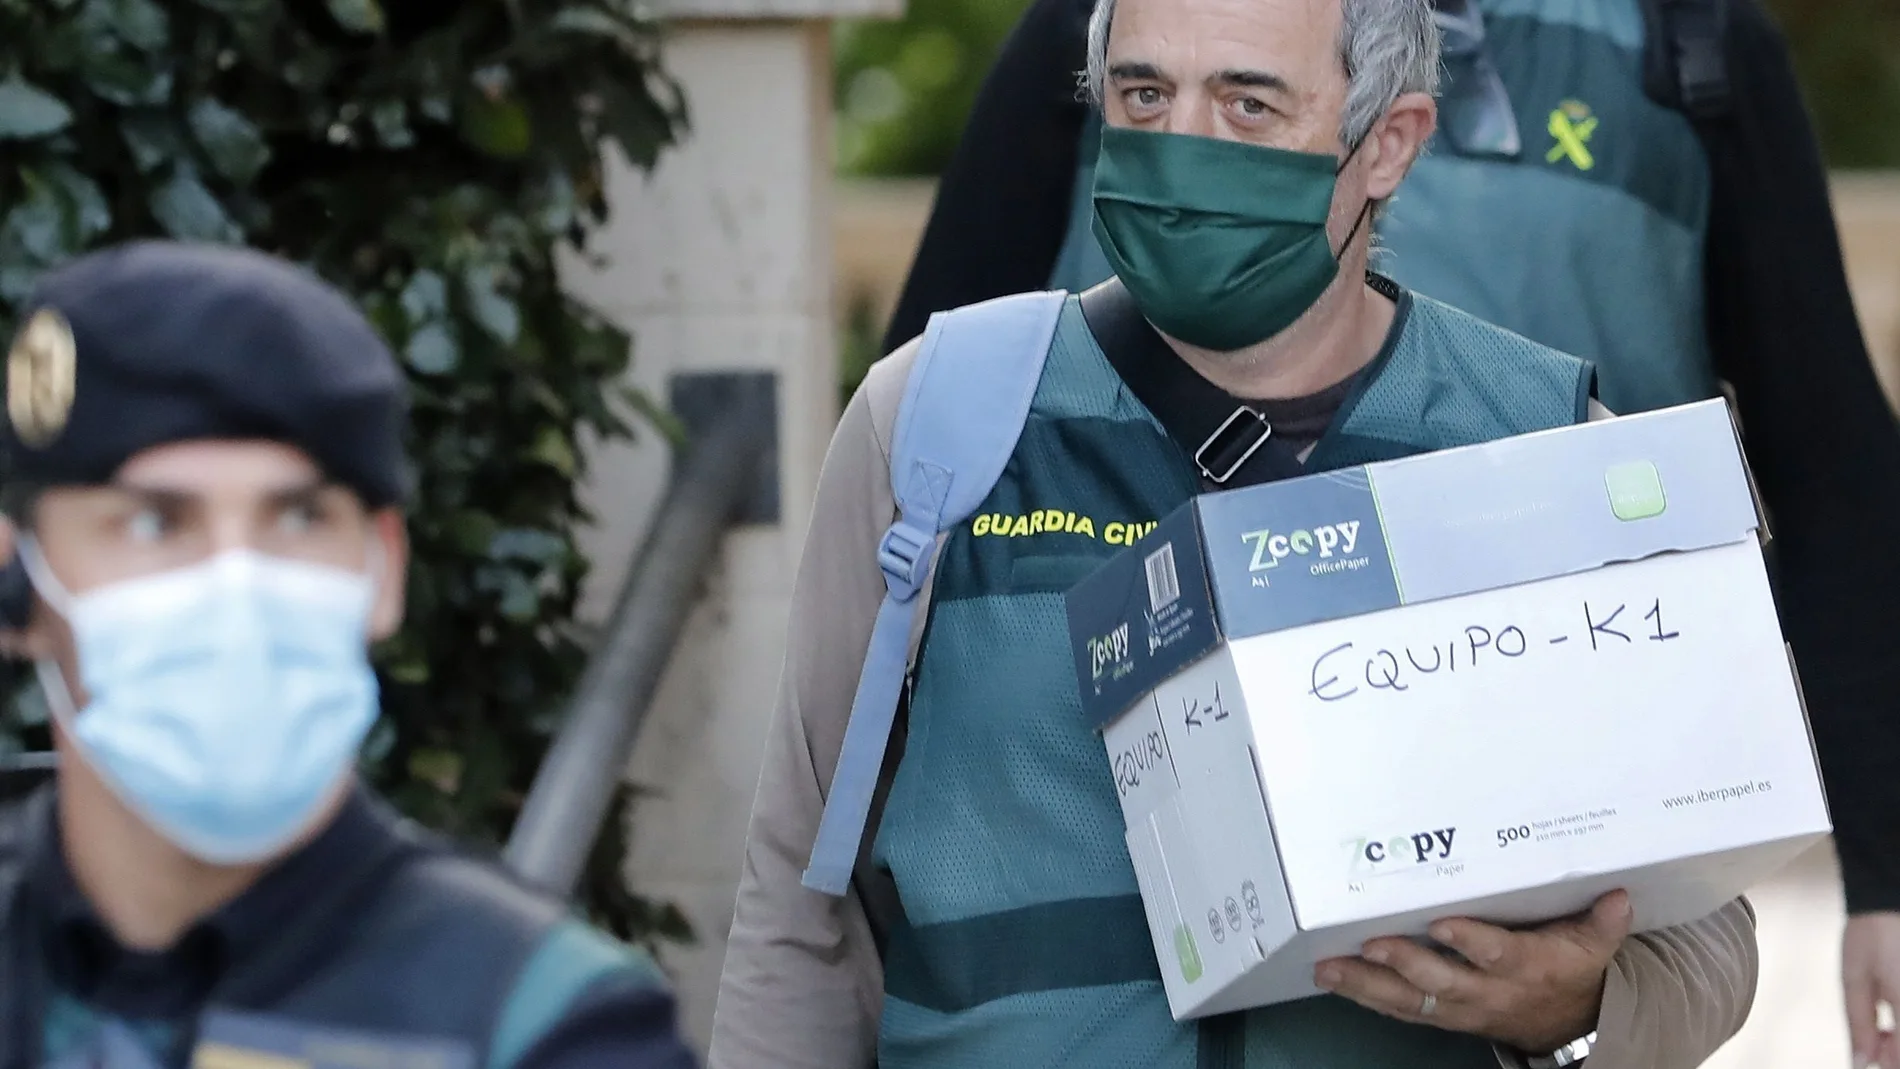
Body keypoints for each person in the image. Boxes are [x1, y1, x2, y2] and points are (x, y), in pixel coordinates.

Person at [710, 0, 1759, 1065]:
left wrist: (1573, 1008)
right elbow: (800, 908)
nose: (1182, 149)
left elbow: (1709, 938)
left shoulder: (1542, 450)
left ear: (1386, 144)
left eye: (1248, 104)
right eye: (1144, 94)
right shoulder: (934, 424)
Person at [0, 241, 699, 1069]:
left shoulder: (542, 1019)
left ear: (384, 566)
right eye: (155, 523)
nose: (239, 585)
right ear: (17, 574)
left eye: (298, 519)